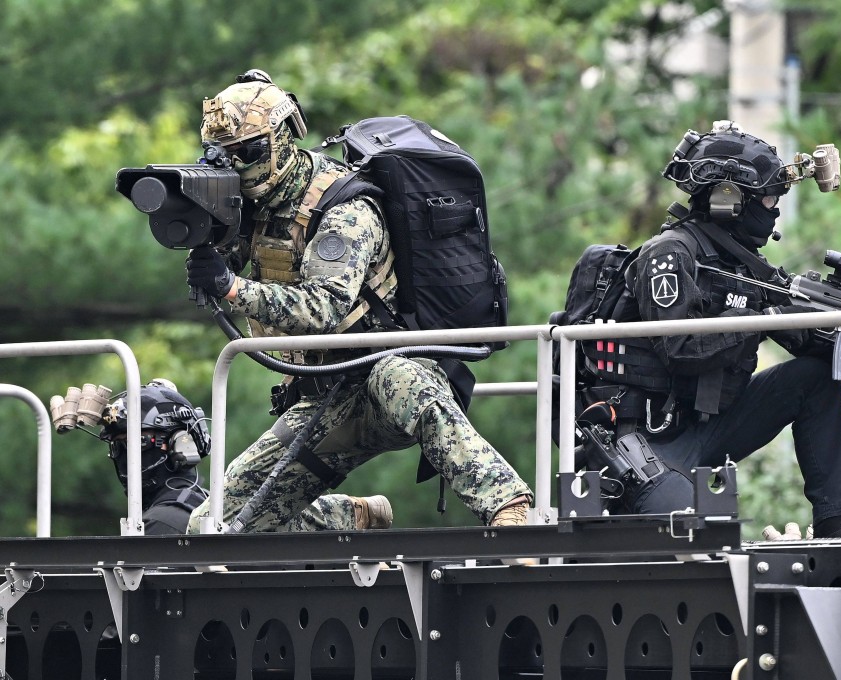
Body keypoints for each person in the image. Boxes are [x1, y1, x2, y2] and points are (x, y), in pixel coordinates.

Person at [184, 70, 532, 533]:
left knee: (402, 375)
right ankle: (352, 516)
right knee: (211, 526)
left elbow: (325, 309)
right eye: (225, 156)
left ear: (285, 139)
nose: (239, 167)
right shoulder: (252, 209)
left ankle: (509, 506)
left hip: (384, 382)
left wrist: (232, 288)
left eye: (248, 152)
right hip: (324, 398)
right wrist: (203, 235)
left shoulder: (344, 210)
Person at [572, 120, 841, 538]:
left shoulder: (742, 265)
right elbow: (680, 348)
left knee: (812, 378)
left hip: (706, 429)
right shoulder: (668, 254)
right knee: (700, 541)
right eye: (769, 199)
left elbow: (807, 337)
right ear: (729, 198)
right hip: (647, 441)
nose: (774, 211)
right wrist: (759, 320)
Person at [51, 379, 392, 535]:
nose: (123, 458)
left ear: (179, 445)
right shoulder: (211, 506)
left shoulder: (164, 523)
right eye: (116, 447)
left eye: (136, 444)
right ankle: (344, 512)